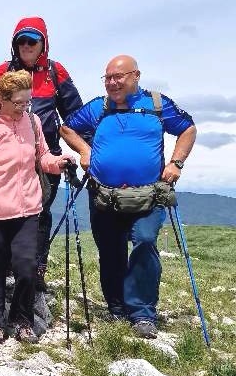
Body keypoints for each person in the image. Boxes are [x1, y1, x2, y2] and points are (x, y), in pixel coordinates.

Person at [60, 55, 196, 339]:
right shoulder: (99, 106)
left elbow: (188, 128)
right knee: (110, 251)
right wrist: (85, 151)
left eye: (118, 77)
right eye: (108, 77)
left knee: (145, 242)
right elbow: (67, 127)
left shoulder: (157, 105)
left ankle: (143, 312)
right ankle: (117, 307)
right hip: (104, 195)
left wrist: (176, 164)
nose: (112, 82)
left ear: (136, 76)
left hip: (148, 195)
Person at [0, 71, 73, 345]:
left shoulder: (33, 122)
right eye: (19, 102)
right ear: (1, 99)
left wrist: (57, 163)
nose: (24, 107)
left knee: (27, 268)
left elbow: (43, 156)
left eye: (28, 102)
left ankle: (22, 320)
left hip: (28, 209)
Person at [0, 16, 82, 290]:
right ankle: (6, 269)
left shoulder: (55, 71)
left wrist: (85, 151)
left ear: (43, 43)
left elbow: (75, 114)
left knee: (39, 212)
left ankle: (34, 270)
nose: (26, 45)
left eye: (32, 40)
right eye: (21, 40)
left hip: (44, 156)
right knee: (3, 211)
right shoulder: (1, 72)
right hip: (4, 157)